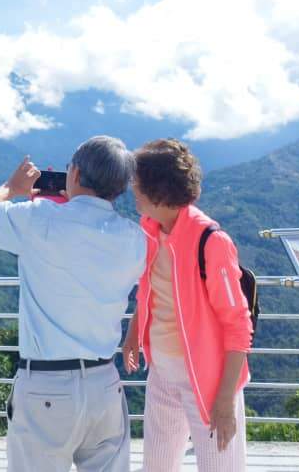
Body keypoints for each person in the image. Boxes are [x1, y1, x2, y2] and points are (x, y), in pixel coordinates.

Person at [0, 136, 146, 472]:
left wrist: (11, 186)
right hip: (104, 384)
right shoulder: (134, 238)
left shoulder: (39, 219)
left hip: (45, 388)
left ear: (75, 173)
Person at [121, 139, 252, 472]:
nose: (131, 188)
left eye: (137, 182)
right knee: (158, 467)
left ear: (158, 190)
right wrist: (134, 333)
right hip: (162, 374)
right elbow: (149, 290)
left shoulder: (211, 241)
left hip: (207, 381)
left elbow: (238, 325)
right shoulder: (151, 229)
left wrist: (224, 403)